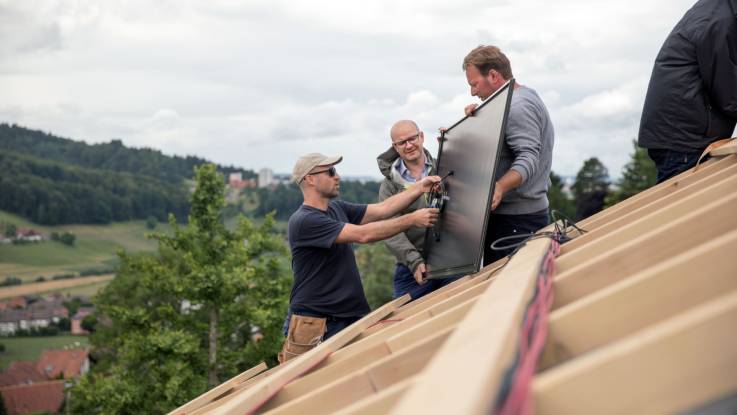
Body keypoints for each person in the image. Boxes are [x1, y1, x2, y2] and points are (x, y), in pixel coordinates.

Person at [279, 153, 440, 363]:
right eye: (330, 171)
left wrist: (420, 187)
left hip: (348, 317)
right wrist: (411, 220)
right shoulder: (304, 221)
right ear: (310, 179)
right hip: (318, 323)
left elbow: (382, 210)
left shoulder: (336, 208)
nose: (337, 176)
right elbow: (364, 234)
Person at [462, 45, 555, 266]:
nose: (473, 92)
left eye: (474, 84)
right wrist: (479, 121)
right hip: (518, 218)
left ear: (493, 75)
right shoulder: (521, 97)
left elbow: (528, 157)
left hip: (516, 221)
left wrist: (500, 187)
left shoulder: (517, 107)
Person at [638, 0, 737, 183]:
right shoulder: (719, 22)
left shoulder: (719, 10)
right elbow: (729, 93)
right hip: (685, 140)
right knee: (684, 207)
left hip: (682, 136)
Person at [377, 120, 461, 301]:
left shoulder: (445, 168)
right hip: (412, 268)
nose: (408, 145)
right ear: (395, 147)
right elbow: (389, 229)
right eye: (402, 143)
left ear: (421, 137)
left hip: (452, 260)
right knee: (401, 321)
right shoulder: (389, 185)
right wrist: (414, 261)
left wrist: (456, 146)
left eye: (412, 138)